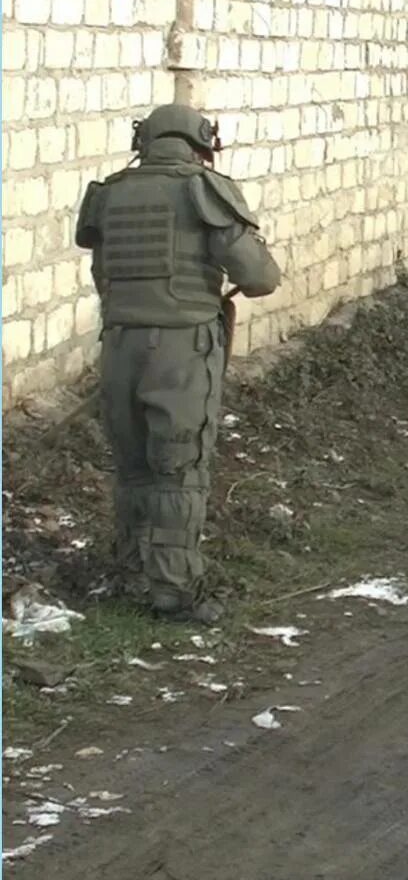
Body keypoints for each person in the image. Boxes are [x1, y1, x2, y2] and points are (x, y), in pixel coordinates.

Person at [75, 103, 282, 623]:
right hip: (181, 350)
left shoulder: (110, 193)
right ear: (201, 143)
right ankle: (172, 591)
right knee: (178, 469)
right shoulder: (202, 189)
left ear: (144, 141)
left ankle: (129, 570)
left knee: (133, 466)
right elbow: (259, 278)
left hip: (119, 343)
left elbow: (103, 274)